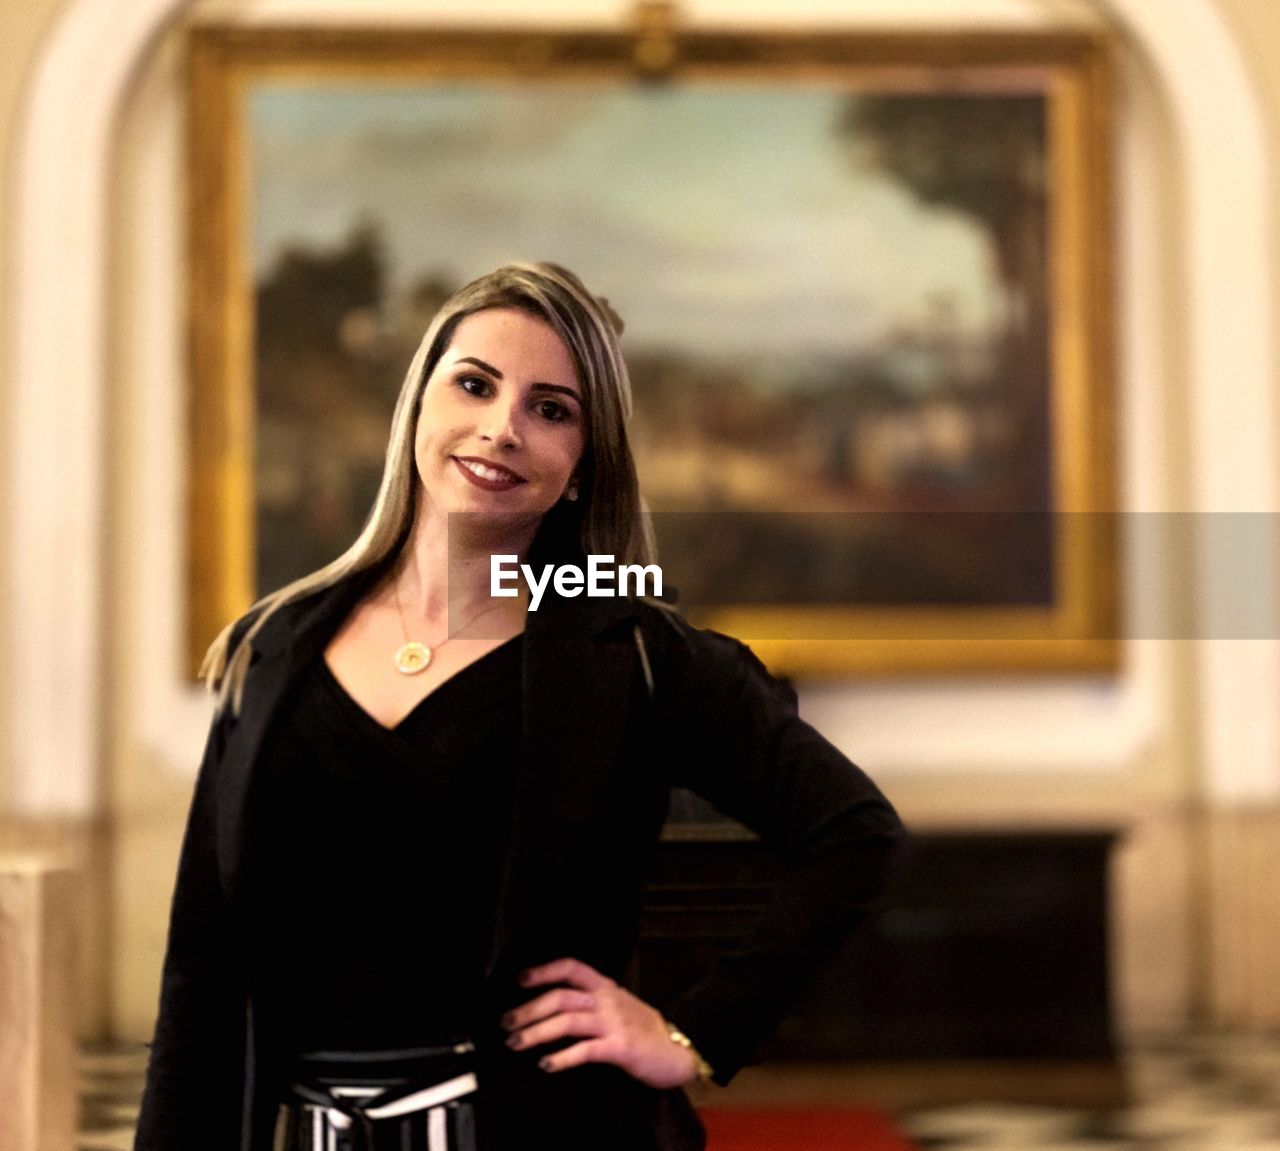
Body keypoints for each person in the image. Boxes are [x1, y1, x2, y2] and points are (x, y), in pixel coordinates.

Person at [134, 262, 907, 1151]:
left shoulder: (636, 655)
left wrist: (696, 1032)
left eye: (552, 409)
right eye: (474, 384)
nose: (501, 429)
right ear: (418, 405)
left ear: (582, 465)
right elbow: (203, 968)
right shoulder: (273, 648)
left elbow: (857, 835)